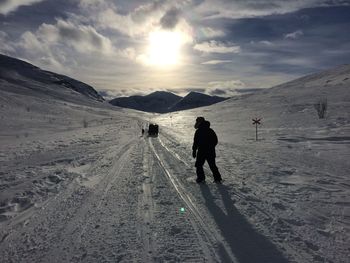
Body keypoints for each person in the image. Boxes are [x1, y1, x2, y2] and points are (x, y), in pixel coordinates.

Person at [192, 117, 222, 183]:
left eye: (197, 122)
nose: (196, 123)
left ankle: (201, 178)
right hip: (209, 151)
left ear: (200, 122)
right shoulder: (209, 130)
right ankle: (217, 178)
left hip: (203, 151)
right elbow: (196, 142)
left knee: (199, 165)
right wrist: (194, 150)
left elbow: (215, 141)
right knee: (211, 165)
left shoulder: (200, 131)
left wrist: (194, 150)